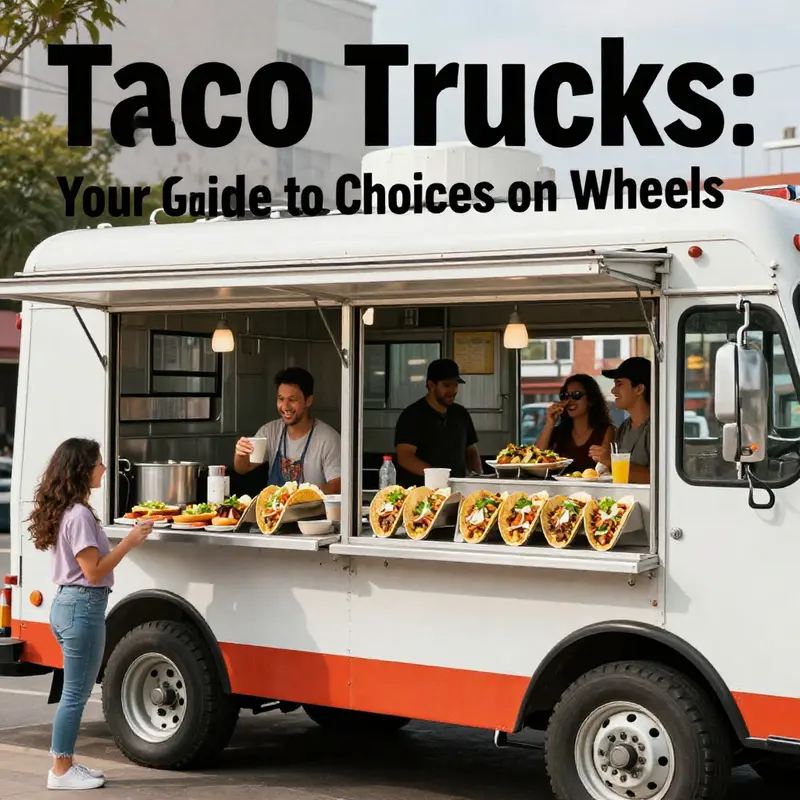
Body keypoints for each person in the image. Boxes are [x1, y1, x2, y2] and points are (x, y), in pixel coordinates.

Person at [28, 438, 153, 790]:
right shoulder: (79, 515)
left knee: (75, 691)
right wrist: (129, 542)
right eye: (98, 462)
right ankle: (62, 770)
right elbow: (94, 571)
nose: (104, 468)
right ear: (83, 469)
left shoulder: (70, 510)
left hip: (71, 605)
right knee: (75, 695)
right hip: (82, 606)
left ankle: (66, 765)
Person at [233, 367, 341, 494]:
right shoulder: (270, 431)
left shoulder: (328, 439)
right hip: (274, 511)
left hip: (312, 512)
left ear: (308, 401)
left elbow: (337, 486)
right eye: (281, 398)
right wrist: (241, 454)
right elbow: (243, 468)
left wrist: (301, 494)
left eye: (292, 399)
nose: (285, 406)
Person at [394, 358, 482, 488]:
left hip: (457, 491)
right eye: (447, 385)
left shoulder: (461, 414)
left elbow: (471, 451)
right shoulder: (412, 415)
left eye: (455, 385)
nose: (453, 390)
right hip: (422, 494)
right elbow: (405, 457)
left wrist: (477, 478)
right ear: (431, 385)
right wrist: (438, 477)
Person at [589, 356, 652, 484]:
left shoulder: (659, 429)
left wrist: (610, 461)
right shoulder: (624, 427)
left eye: (619, 384)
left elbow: (658, 478)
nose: (613, 390)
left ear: (639, 389)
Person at [536, 374, 614, 473]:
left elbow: (605, 469)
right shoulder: (559, 432)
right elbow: (535, 458)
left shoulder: (605, 431)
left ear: (591, 400)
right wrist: (549, 423)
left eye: (576, 395)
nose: (569, 401)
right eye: (565, 396)